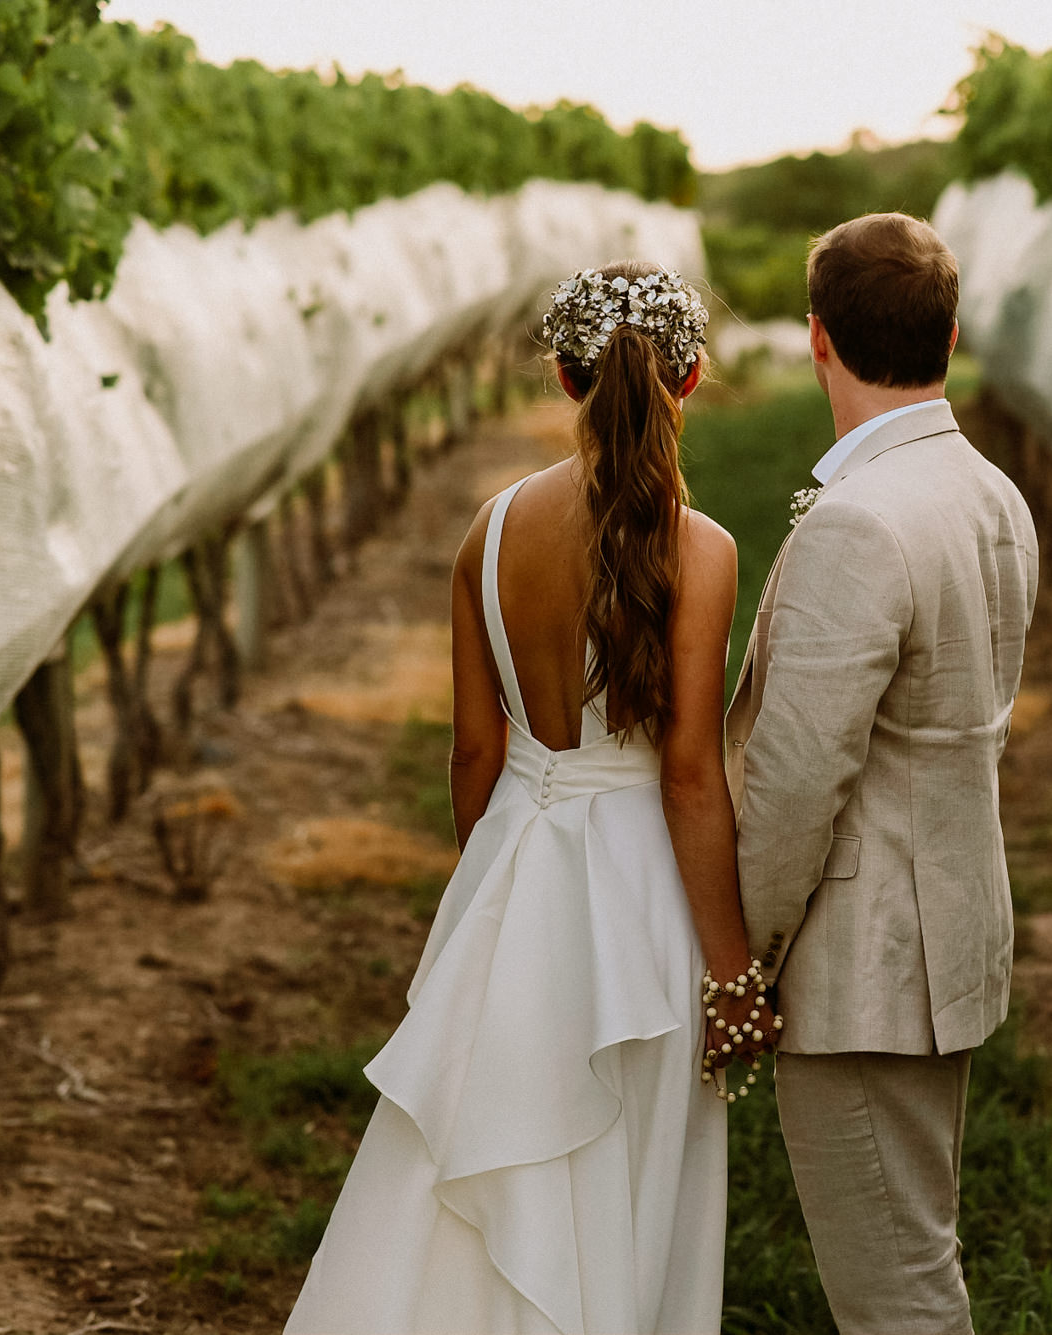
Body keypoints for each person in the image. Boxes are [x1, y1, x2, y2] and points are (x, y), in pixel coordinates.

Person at [286, 261, 778, 1334]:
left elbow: (475, 748)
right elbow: (688, 776)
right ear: (687, 381)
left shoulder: (490, 530)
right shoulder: (704, 553)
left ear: (563, 378)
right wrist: (734, 973)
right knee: (629, 1176)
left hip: (515, 857)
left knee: (466, 1165)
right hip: (641, 898)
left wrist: (491, 880)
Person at [727, 213, 1040, 1334]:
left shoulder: (856, 522)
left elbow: (795, 783)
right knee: (918, 1257)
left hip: (865, 968)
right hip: (946, 934)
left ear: (816, 340)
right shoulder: (991, 493)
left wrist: (740, 965)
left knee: (893, 1297)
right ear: (948, 338)